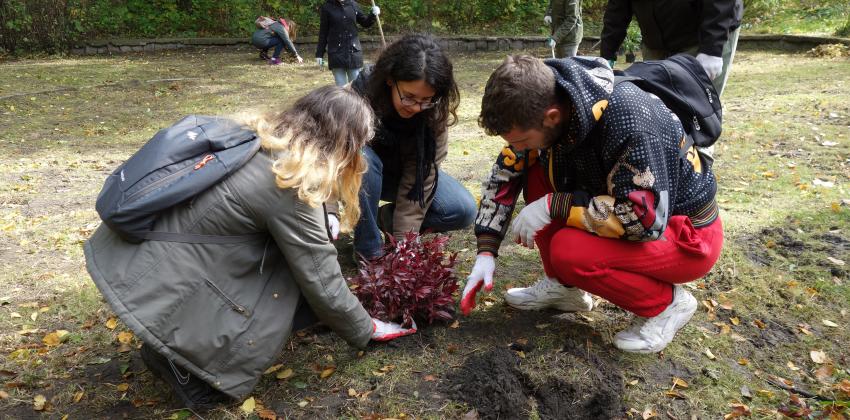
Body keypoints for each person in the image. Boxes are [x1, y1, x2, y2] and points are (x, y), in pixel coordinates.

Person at [83, 86, 416, 410]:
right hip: (162, 273)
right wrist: (368, 328)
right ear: (342, 145)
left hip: (141, 256)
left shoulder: (259, 139)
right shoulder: (292, 185)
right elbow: (322, 280)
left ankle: (176, 342)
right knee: (291, 280)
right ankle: (180, 365)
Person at [460, 55, 724, 354]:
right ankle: (564, 289)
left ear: (552, 116)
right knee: (534, 170)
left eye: (522, 139)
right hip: (632, 208)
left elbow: (641, 220)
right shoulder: (545, 102)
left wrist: (554, 206)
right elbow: (506, 173)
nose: (516, 147)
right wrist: (486, 250)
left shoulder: (631, 123)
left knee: (570, 251)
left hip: (686, 235)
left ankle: (667, 304)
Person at [331, 33, 476, 261]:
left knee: (461, 209)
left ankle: (388, 219)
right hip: (359, 176)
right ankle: (369, 250)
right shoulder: (354, 98)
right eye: (409, 97)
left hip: (405, 177)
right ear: (390, 79)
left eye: (426, 100)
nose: (417, 107)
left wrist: (403, 245)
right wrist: (329, 212)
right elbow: (328, 158)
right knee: (363, 160)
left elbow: (422, 176)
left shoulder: (433, 112)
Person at [599, 0, 743, 95]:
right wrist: (606, 54)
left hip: (702, 37)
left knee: (696, 112)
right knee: (656, 109)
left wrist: (712, 49)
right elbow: (618, 7)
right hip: (656, 41)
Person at [315, 0, 381, 86]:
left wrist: (373, 14)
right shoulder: (327, 7)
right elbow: (323, 32)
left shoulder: (353, 5)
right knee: (341, 89)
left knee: (356, 88)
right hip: (336, 54)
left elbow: (365, 23)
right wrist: (319, 53)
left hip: (353, 53)